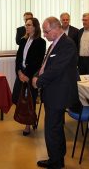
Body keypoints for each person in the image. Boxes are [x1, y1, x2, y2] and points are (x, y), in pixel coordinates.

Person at [32, 17, 79, 169]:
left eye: (46, 32)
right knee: (56, 127)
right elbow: (46, 65)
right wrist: (37, 75)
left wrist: (39, 81)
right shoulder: (54, 44)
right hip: (53, 91)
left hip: (58, 93)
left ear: (56, 28)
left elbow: (56, 69)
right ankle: (58, 157)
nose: (44, 35)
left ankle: (55, 161)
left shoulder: (67, 44)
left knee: (52, 128)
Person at [12, 17, 46, 136]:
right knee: (18, 97)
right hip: (22, 73)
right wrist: (20, 72)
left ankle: (28, 125)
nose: (26, 27)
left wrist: (28, 76)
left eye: (29, 25)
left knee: (30, 99)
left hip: (32, 75)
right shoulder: (23, 40)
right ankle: (28, 118)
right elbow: (18, 58)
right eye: (26, 25)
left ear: (35, 27)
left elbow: (38, 62)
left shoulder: (41, 42)